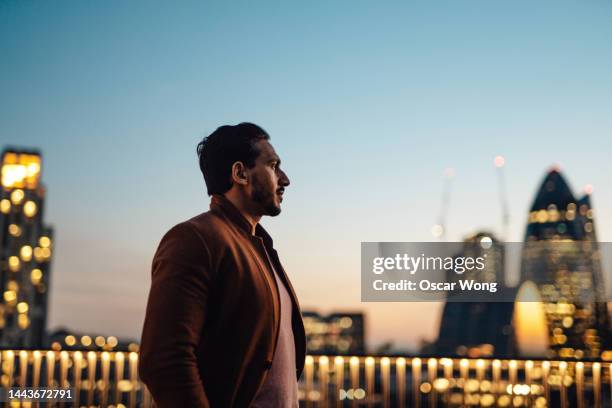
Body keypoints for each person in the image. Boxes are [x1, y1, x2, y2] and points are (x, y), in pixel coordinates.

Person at [139, 123, 306, 407]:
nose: (285, 179)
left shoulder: (260, 248)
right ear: (240, 173)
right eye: (273, 166)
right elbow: (164, 361)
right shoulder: (195, 238)